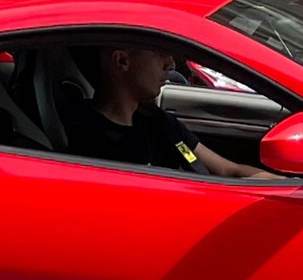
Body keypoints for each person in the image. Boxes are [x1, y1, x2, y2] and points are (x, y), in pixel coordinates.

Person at [59, 41, 267, 178]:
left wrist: (289, 185)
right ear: (122, 61)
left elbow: (227, 170)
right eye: (159, 52)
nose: (170, 64)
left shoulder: (154, 119)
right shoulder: (91, 144)